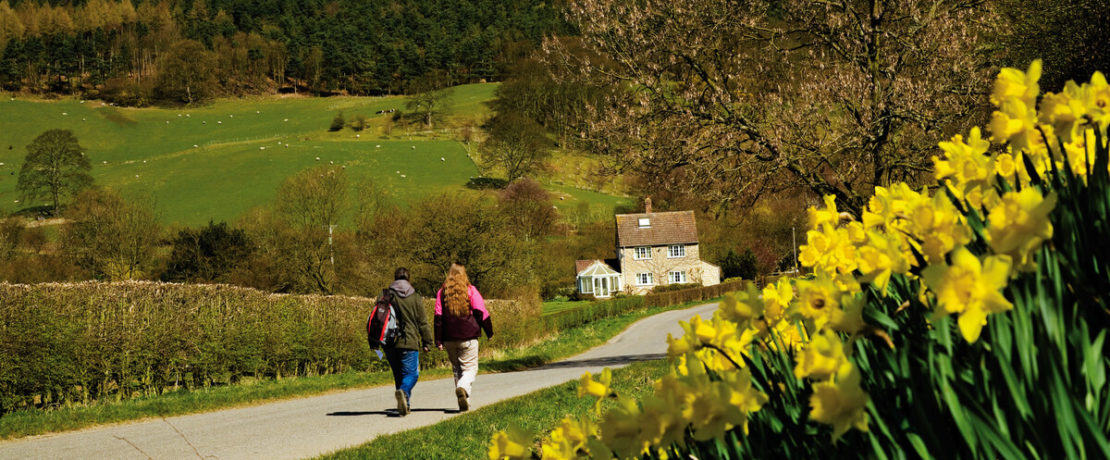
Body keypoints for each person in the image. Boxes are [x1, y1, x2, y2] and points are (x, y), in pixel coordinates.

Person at [434, 263, 493, 411]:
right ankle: (462, 388)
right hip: (468, 336)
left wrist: (439, 340)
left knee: (457, 370)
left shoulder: (442, 293)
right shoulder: (470, 290)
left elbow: (438, 318)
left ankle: (465, 402)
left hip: (449, 338)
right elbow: (481, 312)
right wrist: (489, 332)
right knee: (470, 370)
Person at [382, 267, 433, 416]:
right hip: (409, 341)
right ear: (408, 279)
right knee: (412, 374)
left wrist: (374, 341)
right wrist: (427, 342)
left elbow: (377, 318)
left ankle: (405, 405)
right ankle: (404, 393)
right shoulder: (415, 296)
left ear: (395, 278)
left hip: (389, 342)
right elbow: (422, 322)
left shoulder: (385, 294)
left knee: (399, 374)